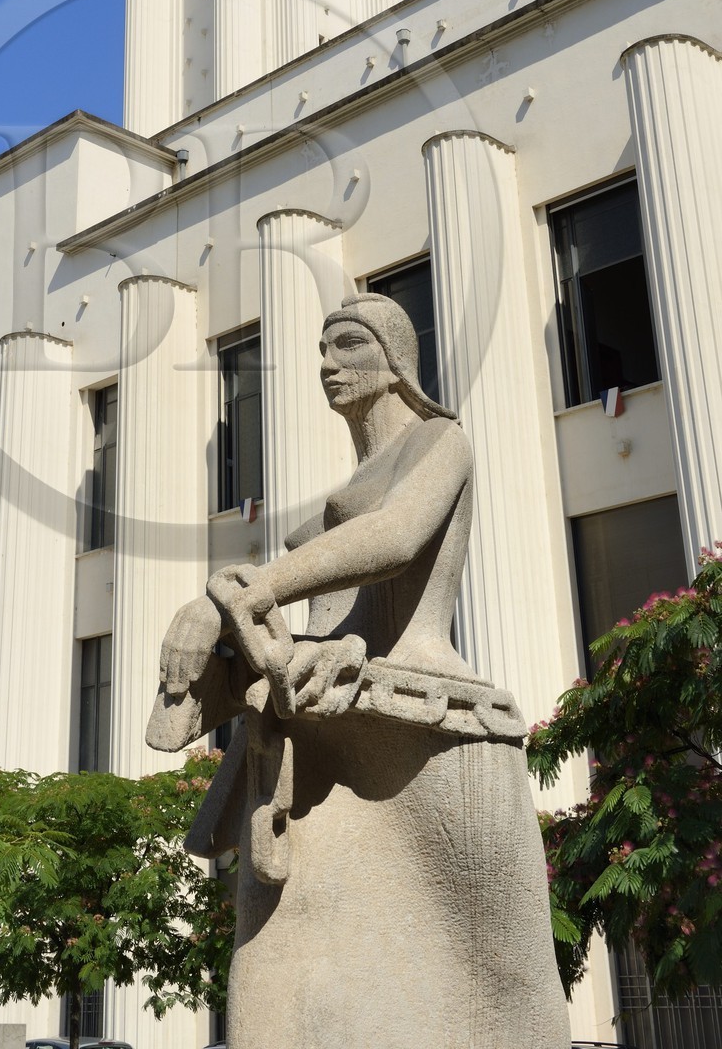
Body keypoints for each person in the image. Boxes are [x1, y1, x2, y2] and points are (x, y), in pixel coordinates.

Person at [147, 293, 570, 1049]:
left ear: (396, 359)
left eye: (347, 345)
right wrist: (215, 620)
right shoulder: (322, 520)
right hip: (316, 746)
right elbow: (294, 616)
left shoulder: (443, 441)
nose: (326, 365)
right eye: (322, 349)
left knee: (487, 994)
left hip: (427, 743)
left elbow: (396, 536)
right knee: (281, 982)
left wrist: (246, 588)